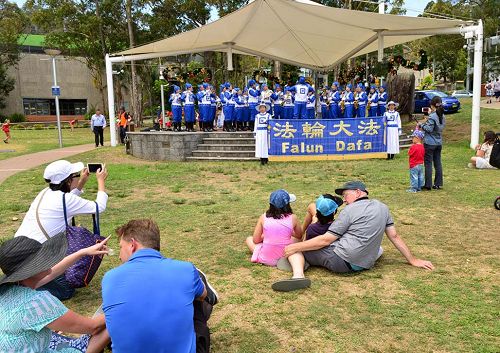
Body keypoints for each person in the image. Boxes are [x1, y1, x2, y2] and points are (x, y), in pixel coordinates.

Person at [101, 219, 218, 353]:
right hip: (186, 280)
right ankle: (198, 279)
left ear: (132, 245)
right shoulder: (185, 269)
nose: (119, 256)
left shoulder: (110, 278)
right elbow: (203, 295)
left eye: (121, 247)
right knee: (194, 296)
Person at [284, 181, 435, 273]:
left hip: (342, 262)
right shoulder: (383, 207)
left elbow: (325, 241)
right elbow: (394, 236)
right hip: (366, 263)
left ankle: (298, 272)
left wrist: (295, 247)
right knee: (379, 248)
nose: (344, 200)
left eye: (346, 195)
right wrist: (412, 259)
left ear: (357, 192)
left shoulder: (349, 211)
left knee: (300, 249)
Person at [0, 233, 110, 353]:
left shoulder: (9, 289)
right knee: (111, 320)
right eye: (41, 258)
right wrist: (123, 305)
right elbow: (92, 327)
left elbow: (52, 272)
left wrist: (82, 252)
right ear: (31, 269)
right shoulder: (35, 302)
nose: (48, 259)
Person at [15, 160, 108, 299]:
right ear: (69, 181)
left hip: (16, 254)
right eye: (75, 175)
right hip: (34, 258)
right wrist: (101, 181)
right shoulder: (65, 199)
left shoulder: (45, 192)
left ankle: (24, 279)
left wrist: (82, 181)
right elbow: (99, 207)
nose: (77, 177)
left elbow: (67, 202)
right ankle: (27, 284)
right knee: (66, 290)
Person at [245, 190, 310, 292]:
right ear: (287, 204)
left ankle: (262, 255)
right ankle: (298, 275)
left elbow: (256, 240)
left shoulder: (263, 217)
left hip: (266, 258)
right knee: (297, 246)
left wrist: (266, 235)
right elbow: (299, 236)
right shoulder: (293, 218)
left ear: (270, 204)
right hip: (285, 255)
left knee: (249, 239)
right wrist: (288, 231)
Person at [418, 96, 446, 190]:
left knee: (428, 163)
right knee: (438, 163)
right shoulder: (442, 115)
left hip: (430, 143)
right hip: (439, 142)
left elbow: (429, 129)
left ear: (432, 105)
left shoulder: (432, 116)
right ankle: (438, 184)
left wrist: (421, 125)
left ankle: (428, 184)